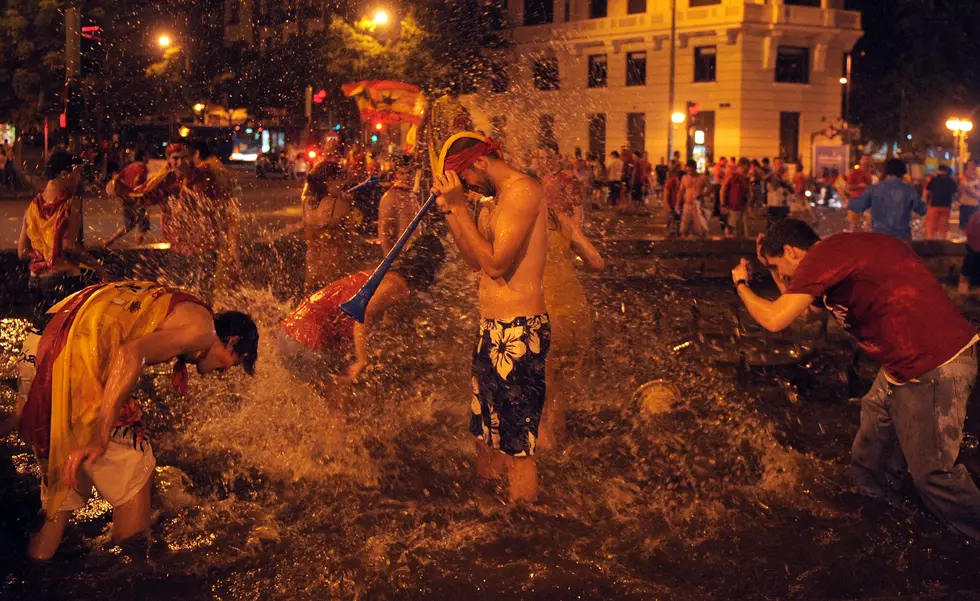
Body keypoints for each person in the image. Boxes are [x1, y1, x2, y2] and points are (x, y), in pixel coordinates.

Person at [732, 219, 980, 540]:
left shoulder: (825, 256)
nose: (780, 275)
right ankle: (886, 531)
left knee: (933, 475)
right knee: (870, 461)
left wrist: (741, 285)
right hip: (903, 366)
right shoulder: (836, 258)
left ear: (793, 251)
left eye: (778, 265)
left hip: (933, 364)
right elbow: (804, 312)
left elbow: (775, 319)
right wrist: (778, 275)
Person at [10, 280, 258, 560]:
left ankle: (33, 563)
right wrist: (101, 434)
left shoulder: (177, 305)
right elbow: (129, 354)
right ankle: (125, 569)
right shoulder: (203, 330)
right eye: (231, 364)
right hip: (75, 360)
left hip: (42, 342)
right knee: (138, 473)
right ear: (233, 342)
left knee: (58, 498)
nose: (223, 374)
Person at [431, 131, 550, 503]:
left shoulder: (522, 192)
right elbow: (475, 260)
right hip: (492, 328)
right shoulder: (494, 202)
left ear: (480, 162)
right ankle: (489, 507)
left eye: (464, 178)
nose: (466, 186)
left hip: (520, 330)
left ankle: (523, 524)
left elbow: (497, 265)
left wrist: (461, 210)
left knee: (516, 446)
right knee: (484, 433)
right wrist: (452, 213)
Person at [539, 163, 605, 450]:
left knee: (535, 392)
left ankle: (544, 456)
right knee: (557, 391)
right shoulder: (564, 222)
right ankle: (559, 451)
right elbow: (596, 263)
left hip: (547, 314)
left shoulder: (526, 223)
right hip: (576, 314)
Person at [134, 142, 241, 300]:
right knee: (178, 296)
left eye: (184, 158)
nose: (180, 163)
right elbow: (139, 198)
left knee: (205, 296)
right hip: (178, 249)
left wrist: (233, 249)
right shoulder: (165, 182)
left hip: (206, 248)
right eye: (175, 158)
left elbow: (225, 212)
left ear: (193, 158)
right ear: (169, 160)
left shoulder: (204, 177)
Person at [17, 150, 107, 325]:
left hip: (35, 280)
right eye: (77, 173)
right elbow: (68, 245)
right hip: (63, 280)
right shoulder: (69, 204)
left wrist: (44, 257)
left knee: (43, 333)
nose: (78, 179)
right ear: (64, 174)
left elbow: (22, 252)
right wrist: (97, 266)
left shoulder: (32, 208)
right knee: (68, 335)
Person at [849, 158, 926, 242]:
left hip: (879, 237)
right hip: (902, 237)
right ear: (903, 172)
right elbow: (922, 210)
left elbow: (859, 206)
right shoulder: (909, 190)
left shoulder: (874, 189)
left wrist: (848, 200)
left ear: (885, 171)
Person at [104, 150, 151, 248]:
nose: (149, 157)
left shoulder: (129, 166)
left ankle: (110, 240)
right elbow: (137, 180)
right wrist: (137, 194)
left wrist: (117, 193)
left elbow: (116, 179)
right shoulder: (143, 167)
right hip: (136, 198)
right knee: (144, 225)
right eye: (147, 155)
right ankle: (137, 247)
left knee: (128, 225)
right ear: (143, 158)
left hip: (126, 198)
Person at [924, 165, 958, 240]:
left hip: (934, 206)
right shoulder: (951, 181)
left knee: (931, 228)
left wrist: (925, 201)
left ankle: (931, 244)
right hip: (946, 206)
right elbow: (955, 193)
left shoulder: (934, 180)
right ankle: (943, 244)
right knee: (943, 228)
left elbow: (927, 192)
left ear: (939, 170)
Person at [721, 158, 752, 239]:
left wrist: (749, 206)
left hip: (743, 207)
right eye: (748, 167)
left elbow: (748, 193)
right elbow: (723, 189)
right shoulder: (733, 176)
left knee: (743, 231)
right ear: (744, 166)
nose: (749, 169)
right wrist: (723, 204)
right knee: (732, 230)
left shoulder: (746, 178)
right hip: (733, 207)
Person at [679, 159, 710, 238]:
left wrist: (703, 194)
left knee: (700, 229)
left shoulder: (703, 177)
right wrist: (677, 204)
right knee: (684, 228)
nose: (689, 172)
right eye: (688, 170)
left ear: (695, 168)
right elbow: (681, 191)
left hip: (698, 206)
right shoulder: (684, 178)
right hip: (687, 205)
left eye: (691, 170)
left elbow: (710, 188)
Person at [847, 156, 875, 232]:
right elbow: (848, 186)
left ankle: (866, 241)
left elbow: (869, 186)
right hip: (855, 199)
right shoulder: (854, 172)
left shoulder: (869, 172)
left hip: (866, 199)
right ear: (860, 161)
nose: (866, 161)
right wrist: (859, 185)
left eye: (867, 159)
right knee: (854, 224)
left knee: (869, 222)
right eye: (864, 159)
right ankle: (852, 240)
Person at [764, 158, 792, 227]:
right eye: (778, 163)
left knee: (784, 222)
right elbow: (764, 179)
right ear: (774, 165)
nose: (780, 165)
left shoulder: (786, 175)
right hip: (773, 203)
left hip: (784, 203)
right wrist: (774, 172)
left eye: (781, 163)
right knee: (772, 222)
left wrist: (786, 181)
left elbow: (790, 188)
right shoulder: (772, 175)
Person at [958, 160, 980, 234]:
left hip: (974, 204)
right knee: (963, 225)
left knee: (973, 224)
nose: (970, 167)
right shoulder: (963, 176)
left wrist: (969, 188)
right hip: (964, 203)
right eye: (968, 165)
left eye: (972, 165)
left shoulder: (978, 177)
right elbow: (960, 189)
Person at [663, 166, 683, 237]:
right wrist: (667, 206)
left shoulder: (683, 182)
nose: (680, 182)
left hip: (679, 205)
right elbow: (666, 195)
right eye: (679, 180)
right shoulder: (670, 182)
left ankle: (678, 232)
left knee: (678, 219)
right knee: (670, 218)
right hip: (671, 203)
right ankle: (668, 232)